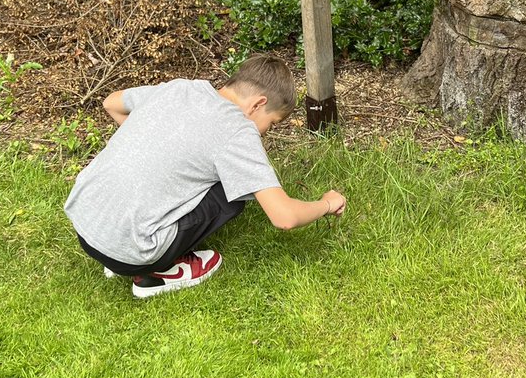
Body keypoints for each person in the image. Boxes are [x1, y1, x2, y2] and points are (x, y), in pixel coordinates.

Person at [64, 54, 346, 299]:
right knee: (231, 193)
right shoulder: (237, 128)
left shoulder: (181, 88)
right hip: (134, 252)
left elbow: (111, 103)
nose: (265, 133)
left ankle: (119, 244)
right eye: (271, 124)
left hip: (86, 225)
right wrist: (327, 203)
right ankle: (159, 273)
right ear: (258, 104)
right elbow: (284, 217)